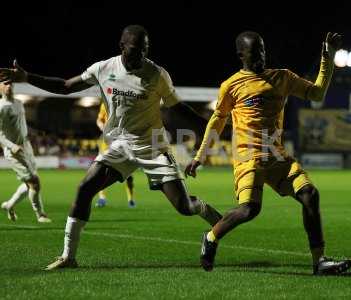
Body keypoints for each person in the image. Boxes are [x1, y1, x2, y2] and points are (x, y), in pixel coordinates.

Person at [0, 24, 222, 270]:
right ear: (122, 47)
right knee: (85, 188)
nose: (141, 55)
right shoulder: (103, 68)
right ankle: (68, 257)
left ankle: (212, 216)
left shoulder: (157, 74)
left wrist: (211, 126)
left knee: (184, 207)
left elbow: (179, 108)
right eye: (136, 49)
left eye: (145, 50)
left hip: (153, 146)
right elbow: (64, 86)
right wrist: (27, 77)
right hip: (121, 144)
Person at [185, 31, 351, 275]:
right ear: (241, 55)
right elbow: (217, 121)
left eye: (262, 51)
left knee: (310, 195)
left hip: (277, 155)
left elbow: (316, 93)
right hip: (248, 158)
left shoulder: (282, 77)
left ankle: (319, 262)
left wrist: (328, 57)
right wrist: (200, 156)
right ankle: (211, 236)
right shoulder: (231, 85)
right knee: (249, 210)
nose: (260, 57)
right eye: (254, 53)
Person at [0, 82, 52, 223]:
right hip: (14, 150)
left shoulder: (19, 102)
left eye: (10, 83)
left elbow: (21, 124)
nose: (8, 86)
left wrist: (34, 132)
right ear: (0, 87)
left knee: (30, 182)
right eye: (4, 84)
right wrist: (12, 146)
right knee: (34, 183)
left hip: (26, 146)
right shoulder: (1, 107)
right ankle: (40, 214)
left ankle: (9, 206)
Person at [95, 103, 136, 208]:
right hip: (107, 143)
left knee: (129, 175)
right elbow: (99, 119)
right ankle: (102, 198)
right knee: (101, 171)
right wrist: (102, 127)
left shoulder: (128, 102)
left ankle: (131, 199)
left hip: (124, 143)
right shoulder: (105, 104)